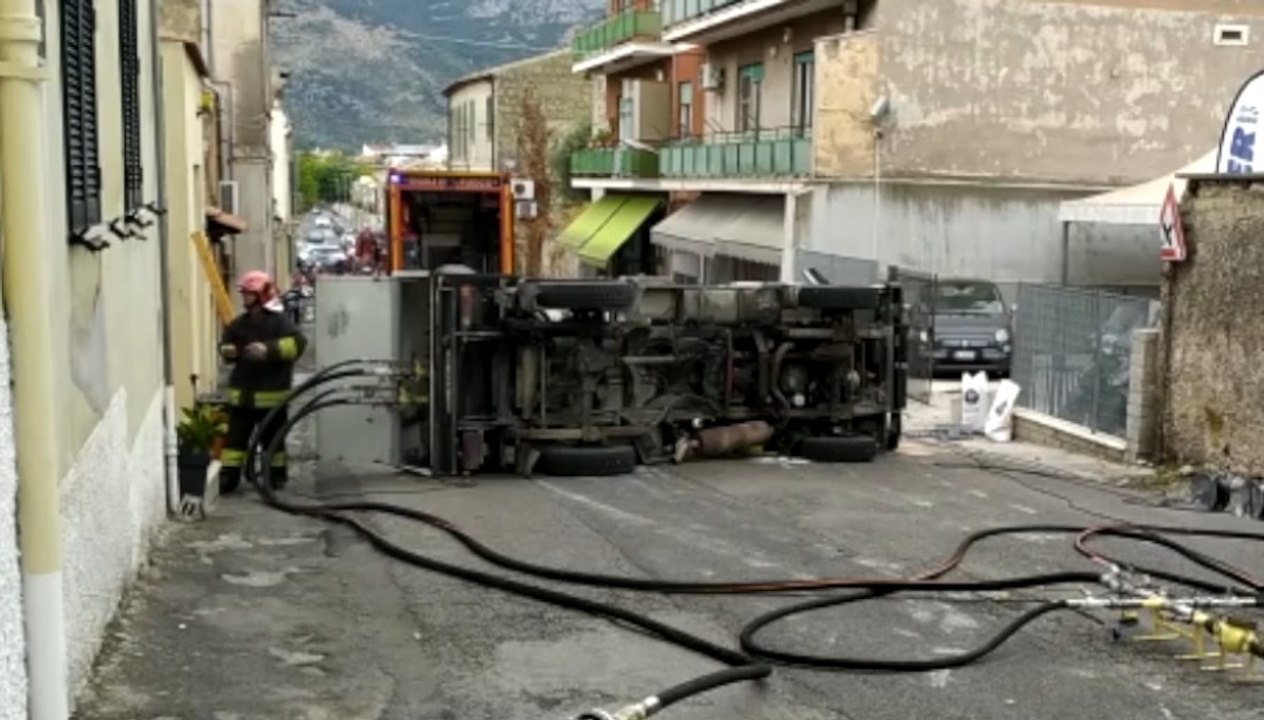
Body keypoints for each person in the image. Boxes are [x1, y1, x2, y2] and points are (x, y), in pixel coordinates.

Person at [218, 270, 308, 494]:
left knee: (273, 443)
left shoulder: (280, 323)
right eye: (244, 293)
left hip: (272, 398)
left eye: (249, 294)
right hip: (242, 398)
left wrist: (268, 350)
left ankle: (274, 476)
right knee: (235, 443)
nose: (244, 298)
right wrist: (226, 350)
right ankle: (229, 478)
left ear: (261, 295)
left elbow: (298, 344)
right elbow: (226, 344)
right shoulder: (239, 323)